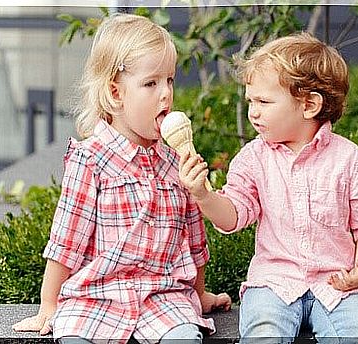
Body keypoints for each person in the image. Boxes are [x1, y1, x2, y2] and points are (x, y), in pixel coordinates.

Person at [12, 13, 231, 344]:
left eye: (169, 80)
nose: (166, 94)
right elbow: (66, 242)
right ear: (115, 93)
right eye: (151, 83)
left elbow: (194, 239)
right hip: (97, 294)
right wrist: (48, 306)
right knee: (73, 336)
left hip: (163, 295)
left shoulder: (175, 161)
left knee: (185, 337)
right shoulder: (91, 161)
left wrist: (198, 293)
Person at [179, 32, 358, 343]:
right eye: (250, 100)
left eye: (264, 101)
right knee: (264, 335)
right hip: (273, 285)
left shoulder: (352, 161)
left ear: (309, 105)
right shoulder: (253, 158)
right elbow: (233, 216)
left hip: (336, 287)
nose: (253, 111)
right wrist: (204, 195)